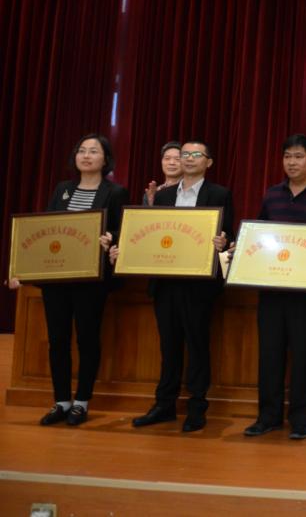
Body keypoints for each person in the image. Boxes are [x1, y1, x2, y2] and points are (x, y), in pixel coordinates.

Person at [110, 140, 233, 433]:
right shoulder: (164, 196)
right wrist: (124, 251)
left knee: (198, 346)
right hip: (165, 283)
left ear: (208, 162)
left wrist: (224, 241)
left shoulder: (219, 194)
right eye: (185, 154)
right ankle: (164, 405)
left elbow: (228, 233)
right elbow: (151, 235)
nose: (188, 158)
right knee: (168, 347)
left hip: (199, 285)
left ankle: (197, 407)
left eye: (196, 154)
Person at [6, 133, 128, 426]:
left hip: (91, 280)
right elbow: (46, 230)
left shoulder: (115, 192)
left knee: (87, 339)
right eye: (82, 150)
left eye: (94, 151)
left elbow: (122, 232)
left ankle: (82, 402)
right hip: (58, 278)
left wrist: (110, 238)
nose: (86, 155)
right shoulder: (63, 189)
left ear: (105, 159)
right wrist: (23, 267)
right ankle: (61, 401)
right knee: (57, 340)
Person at [243, 134, 306, 441]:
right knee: (270, 355)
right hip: (272, 290)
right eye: (287, 156)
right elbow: (260, 236)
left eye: (298, 156)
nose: (292, 162)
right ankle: (268, 417)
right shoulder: (272, 195)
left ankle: (302, 419)